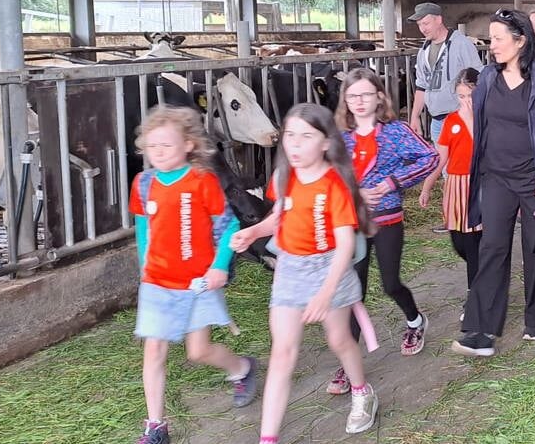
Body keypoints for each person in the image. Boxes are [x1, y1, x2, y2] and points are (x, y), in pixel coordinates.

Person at [231, 104, 378, 440]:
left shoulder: (335, 185)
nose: (294, 145)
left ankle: (361, 390)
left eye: (306, 137)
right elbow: (281, 217)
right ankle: (268, 437)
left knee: (339, 339)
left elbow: (344, 246)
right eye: (290, 136)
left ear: (326, 143)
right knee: (282, 352)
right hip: (290, 267)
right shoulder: (286, 176)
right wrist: (254, 232)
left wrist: (326, 292)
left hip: (330, 268)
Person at [450, 8, 535, 357]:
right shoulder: (488, 77)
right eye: (491, 40)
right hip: (496, 177)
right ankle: (480, 329)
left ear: (520, 42)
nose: (493, 46)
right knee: (492, 247)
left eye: (499, 39)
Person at [131, 106, 257, 444]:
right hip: (157, 281)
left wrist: (219, 266)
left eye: (166, 146)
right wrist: (145, 266)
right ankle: (156, 426)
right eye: (151, 146)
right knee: (154, 351)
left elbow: (228, 224)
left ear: (188, 145)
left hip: (197, 281)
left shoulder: (202, 181)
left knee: (197, 352)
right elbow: (143, 226)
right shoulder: (143, 183)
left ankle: (242, 368)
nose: (157, 153)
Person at [326, 68, 435, 397]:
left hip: (387, 219)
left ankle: (416, 320)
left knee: (390, 283)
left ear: (379, 97)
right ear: (345, 100)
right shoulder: (339, 137)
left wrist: (392, 182)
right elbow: (326, 175)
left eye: (365, 95)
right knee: (353, 292)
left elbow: (429, 157)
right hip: (351, 224)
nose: (359, 102)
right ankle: (349, 363)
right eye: (352, 96)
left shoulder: (395, 132)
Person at [419, 68, 482, 293]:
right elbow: (441, 158)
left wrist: (472, 117)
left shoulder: (486, 119)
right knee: (458, 240)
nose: (466, 101)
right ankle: (481, 270)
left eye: (471, 96)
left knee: (474, 240)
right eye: (461, 96)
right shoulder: (450, 121)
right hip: (455, 185)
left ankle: (475, 292)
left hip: (478, 184)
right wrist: (427, 186)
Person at [408, 2, 484, 142]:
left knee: (460, 162)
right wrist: (414, 117)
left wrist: (472, 117)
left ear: (438, 19)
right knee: (442, 163)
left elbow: (477, 79)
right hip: (436, 122)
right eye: (419, 25)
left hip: (459, 118)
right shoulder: (423, 51)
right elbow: (421, 86)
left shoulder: (461, 44)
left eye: (426, 23)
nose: (422, 29)